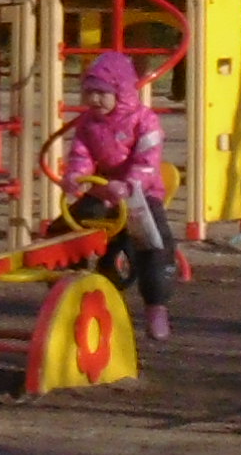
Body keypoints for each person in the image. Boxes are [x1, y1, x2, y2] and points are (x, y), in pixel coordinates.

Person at [47, 46, 183, 338]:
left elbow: (148, 159)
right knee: (63, 228)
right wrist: (77, 178)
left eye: (102, 93)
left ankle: (156, 305)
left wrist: (129, 184)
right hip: (104, 190)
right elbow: (80, 154)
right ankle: (67, 285)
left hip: (139, 192)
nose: (94, 99)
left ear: (121, 93)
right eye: (89, 92)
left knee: (154, 242)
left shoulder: (144, 120)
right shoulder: (88, 124)